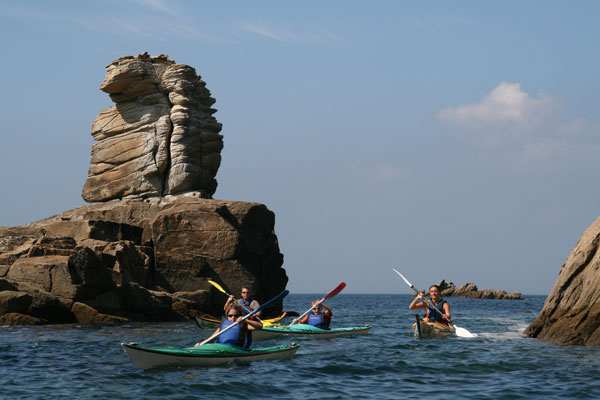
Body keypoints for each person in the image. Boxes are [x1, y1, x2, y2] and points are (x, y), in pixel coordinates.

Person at [195, 304, 262, 348]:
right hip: (220, 348)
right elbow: (212, 338)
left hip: (237, 351)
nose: (233, 317)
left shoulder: (244, 325)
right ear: (227, 316)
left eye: (236, 316)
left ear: (239, 315)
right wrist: (200, 345)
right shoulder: (223, 324)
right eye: (230, 315)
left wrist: (245, 320)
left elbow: (259, 326)